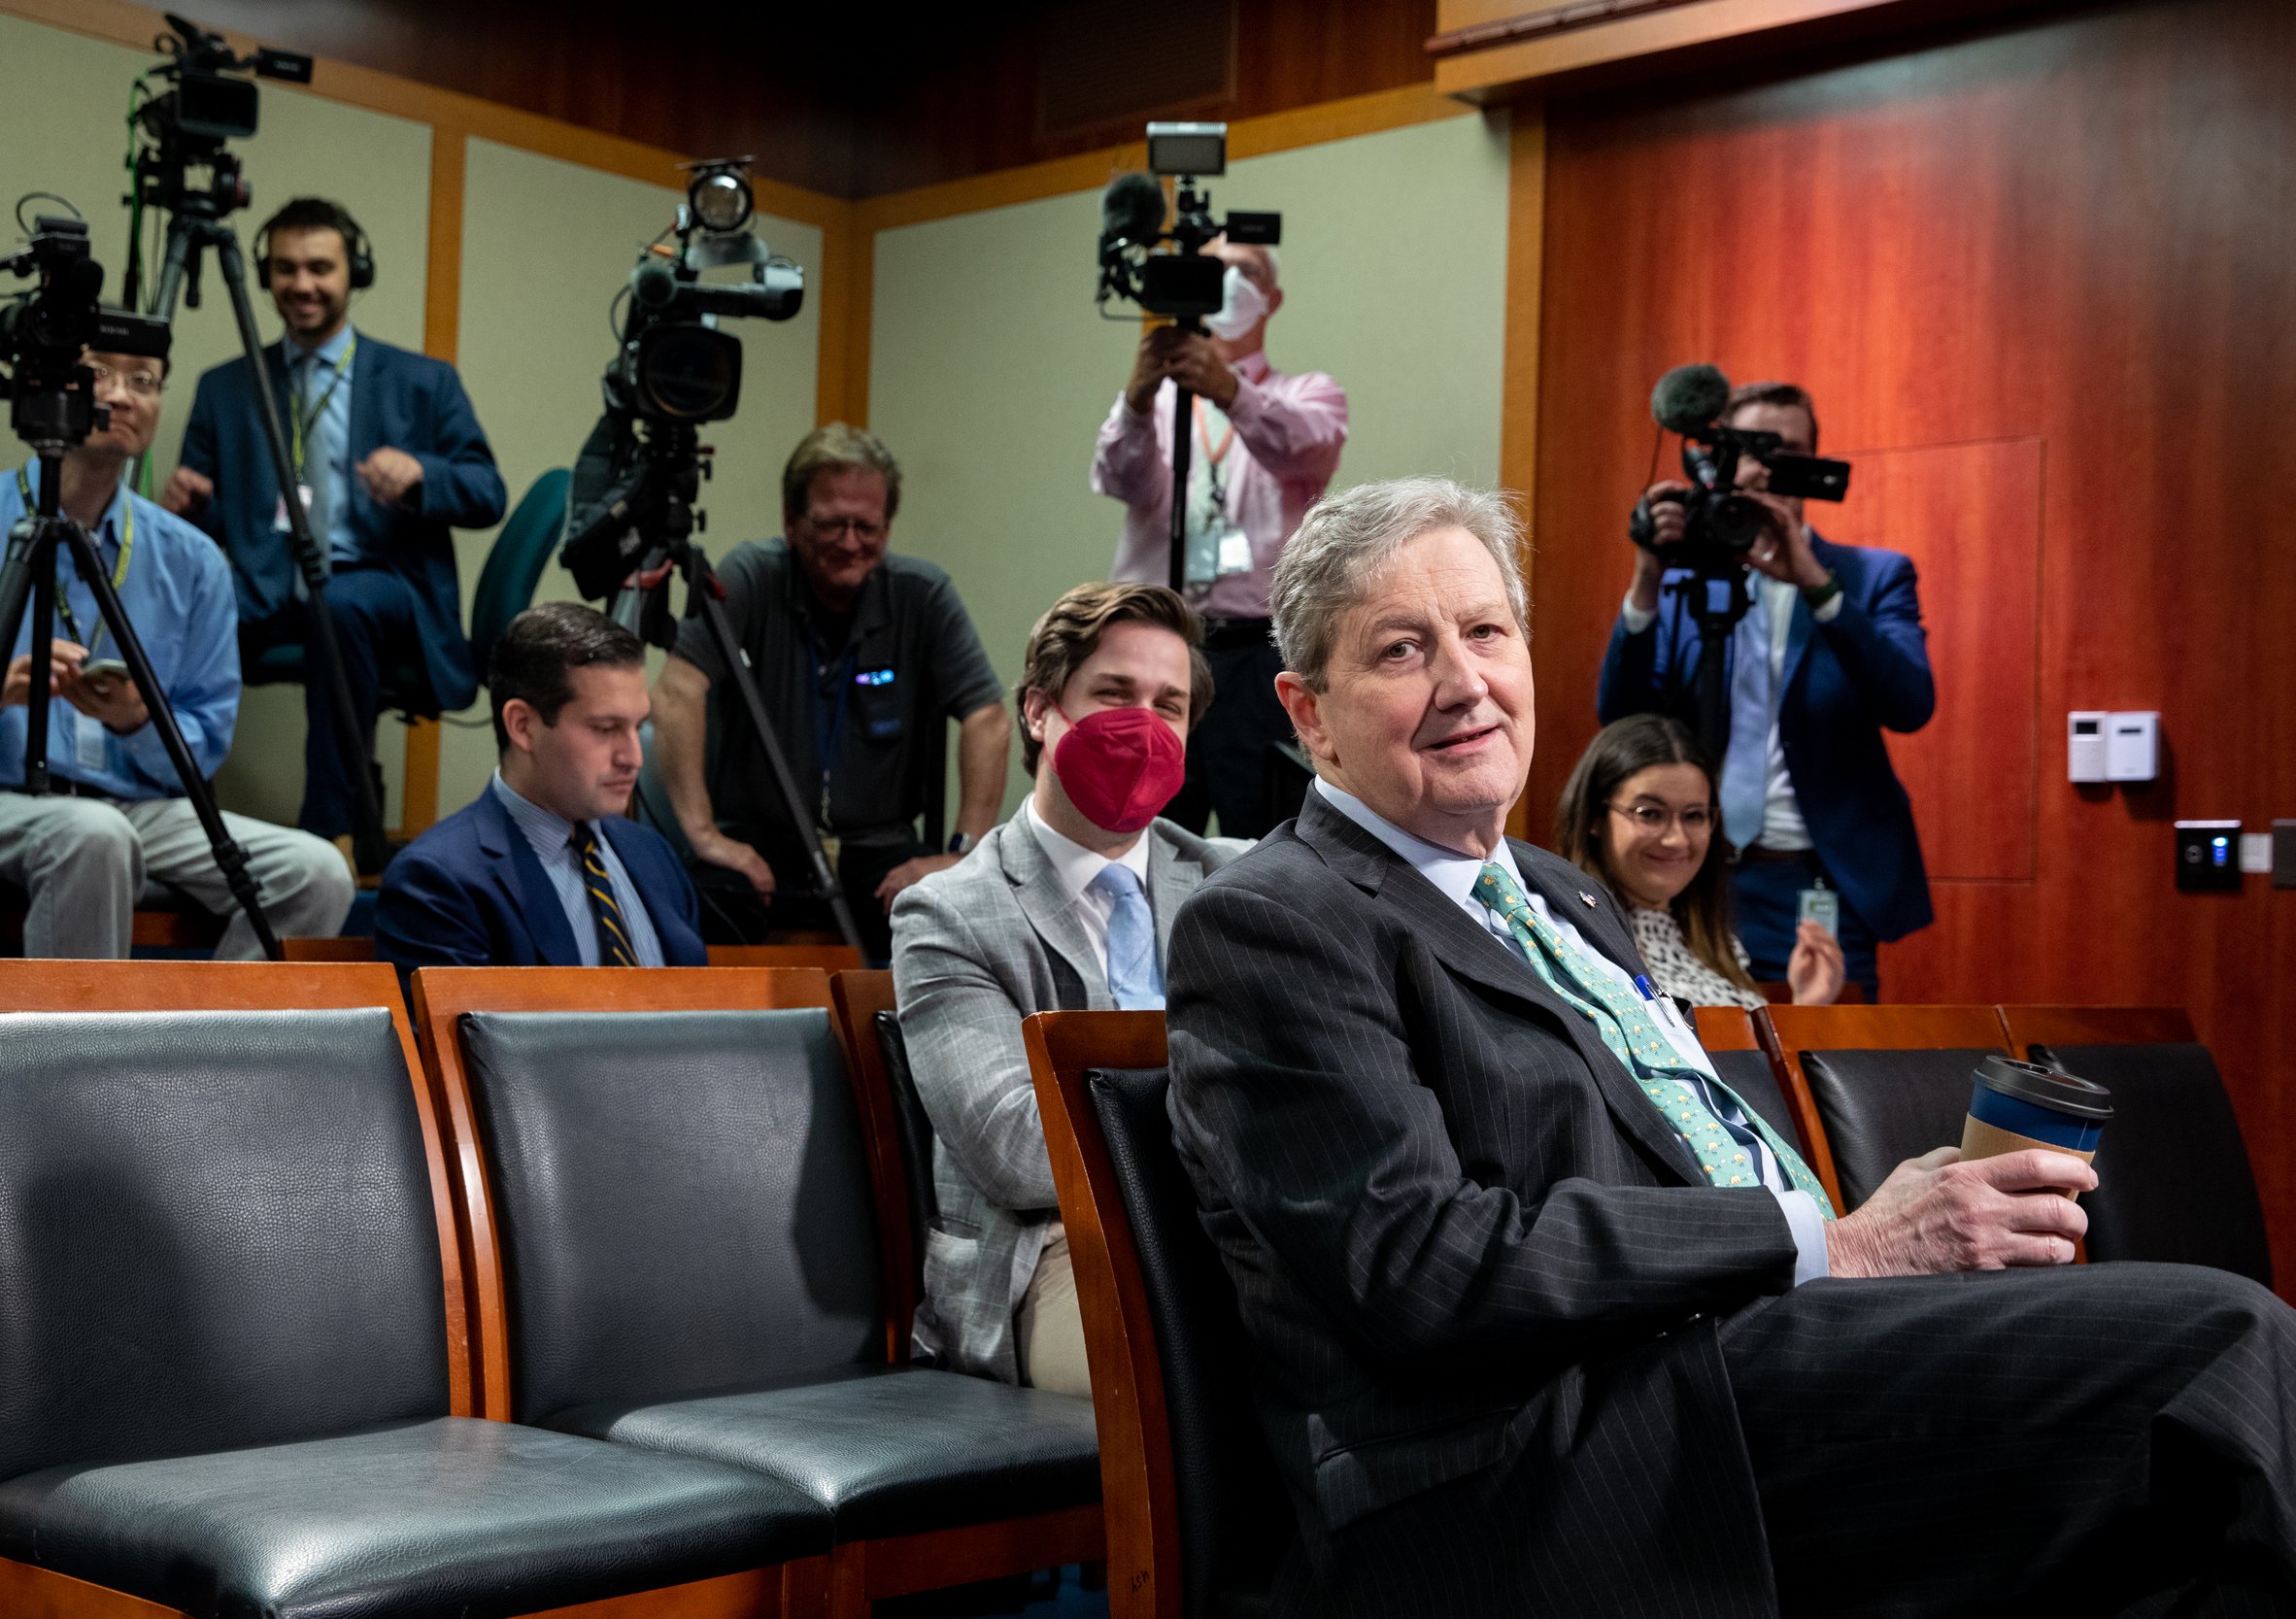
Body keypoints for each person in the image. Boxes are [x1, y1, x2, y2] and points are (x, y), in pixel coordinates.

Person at [1166, 475, 2296, 1616]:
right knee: (2216, 1346)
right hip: (1570, 1448)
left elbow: (1684, 1149)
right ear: (1307, 712)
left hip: (1760, 1361)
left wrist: (1879, 1225)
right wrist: (1828, 1242)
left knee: (2175, 1485)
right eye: (1402, 650)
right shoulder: (1275, 921)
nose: (1465, 683)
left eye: (1484, 632)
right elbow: (1424, 1267)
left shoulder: (1564, 895)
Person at [0, 341, 355, 959]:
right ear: (47, 393)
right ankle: (79, 1055)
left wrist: (139, 718)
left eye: (144, 380)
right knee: (94, 836)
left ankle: (204, 1051)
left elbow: (206, 734)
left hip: (137, 805)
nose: (122, 394)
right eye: (97, 374)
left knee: (317, 872)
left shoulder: (194, 558)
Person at [892, 581, 1244, 1397]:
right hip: (1050, 1258)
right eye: (1114, 695)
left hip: (1236, 1236)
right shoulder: (949, 913)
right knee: (1219, 1368)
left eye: (1170, 705)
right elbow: (1016, 1150)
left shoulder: (1238, 882)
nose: (1142, 726)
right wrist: (1239, 1109)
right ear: (1041, 710)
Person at [161, 196, 506, 843]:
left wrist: (423, 476)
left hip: (380, 580)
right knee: (166, 615)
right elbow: (203, 534)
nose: (303, 284)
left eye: (320, 267)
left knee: (338, 606)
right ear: (266, 277)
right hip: (268, 580)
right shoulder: (225, 386)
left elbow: (488, 491)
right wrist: (194, 503)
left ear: (355, 273)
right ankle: (180, 821)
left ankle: (330, 834)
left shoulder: (423, 381)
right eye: (287, 269)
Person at [1599, 380, 1931, 995]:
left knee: (1825, 1063)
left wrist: (1815, 583)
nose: (1773, 469)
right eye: (1758, 450)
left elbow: (1910, 703)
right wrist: (1648, 578)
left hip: (1819, 882)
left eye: (1792, 453)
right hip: (1693, 877)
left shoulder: (1870, 576)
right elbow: (1620, 719)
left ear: (1815, 466)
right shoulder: (1682, 579)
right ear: (1725, 460)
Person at [653, 423, 1008, 960]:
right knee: (694, 904)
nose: (849, 543)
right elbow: (677, 691)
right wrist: (704, 835)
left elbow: (989, 719)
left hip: (878, 848)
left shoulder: (923, 594)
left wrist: (963, 853)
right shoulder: (750, 576)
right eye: (830, 524)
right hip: (761, 843)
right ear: (791, 522)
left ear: (887, 528)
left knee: (956, 913)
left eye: (865, 526)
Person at [1093, 240, 1347, 839]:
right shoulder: (1156, 405)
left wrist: (1228, 389)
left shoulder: (1307, 393)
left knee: (1262, 834)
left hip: (1255, 656)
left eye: (1248, 271)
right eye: (1218, 269)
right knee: (1138, 827)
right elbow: (1119, 478)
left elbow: (1307, 445)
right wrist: (1136, 395)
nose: (1232, 282)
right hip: (1158, 643)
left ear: (1273, 298)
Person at [374, 602, 706, 974]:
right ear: (523, 726)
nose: (633, 757)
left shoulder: (653, 855)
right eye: (605, 728)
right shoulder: (439, 881)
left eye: (638, 726)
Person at [1552, 712, 1844, 1008]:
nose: (1676, 839)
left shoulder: (1719, 945)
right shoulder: (1569, 939)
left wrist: (1807, 1005)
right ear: (1595, 818)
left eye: (1694, 816)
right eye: (1651, 814)